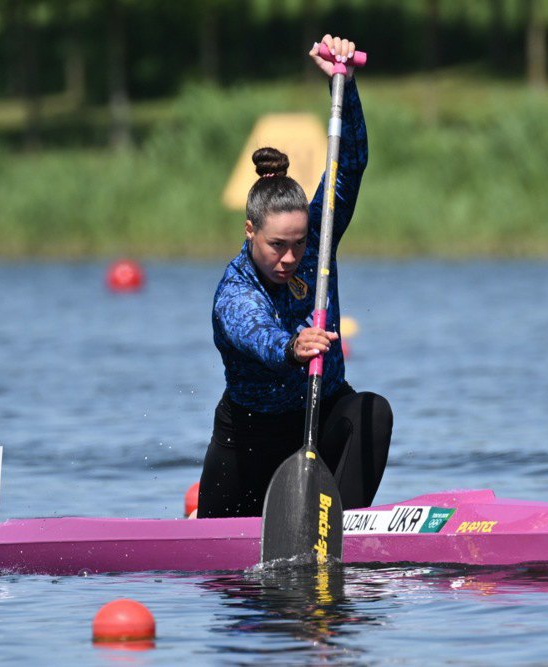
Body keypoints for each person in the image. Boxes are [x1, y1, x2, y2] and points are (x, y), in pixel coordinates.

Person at [197, 34, 392, 519]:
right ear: (249, 232)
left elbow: (349, 164)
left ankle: (341, 529)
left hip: (319, 413)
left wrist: (342, 89)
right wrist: (291, 347)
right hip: (250, 440)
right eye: (276, 245)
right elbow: (256, 334)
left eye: (299, 243)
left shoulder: (318, 240)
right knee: (232, 590)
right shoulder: (235, 291)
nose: (290, 257)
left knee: (371, 411)